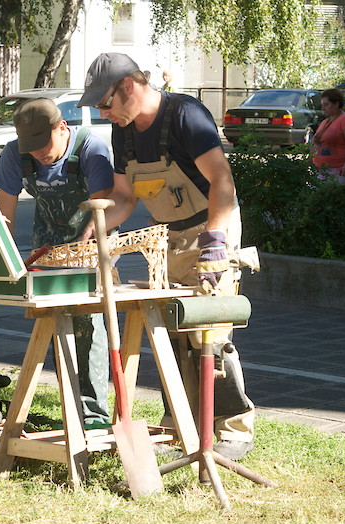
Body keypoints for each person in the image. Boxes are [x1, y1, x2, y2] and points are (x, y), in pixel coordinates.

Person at [76, 52, 255, 461]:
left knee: (211, 334)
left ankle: (233, 429)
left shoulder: (185, 115)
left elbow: (222, 180)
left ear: (128, 86)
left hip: (213, 227)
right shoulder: (122, 131)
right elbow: (124, 197)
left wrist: (214, 240)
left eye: (104, 103)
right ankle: (181, 422)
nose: (103, 114)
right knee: (172, 334)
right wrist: (98, 229)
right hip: (170, 237)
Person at [0, 99, 115, 428]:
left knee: (87, 325)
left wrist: (88, 249)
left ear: (62, 128)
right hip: (46, 243)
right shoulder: (14, 154)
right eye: (30, 148)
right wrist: (6, 259)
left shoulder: (91, 148)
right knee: (53, 322)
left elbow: (103, 212)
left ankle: (93, 417)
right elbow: (4, 216)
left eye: (43, 145)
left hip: (92, 241)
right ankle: (71, 408)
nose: (38, 154)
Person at [311, 88, 345, 185]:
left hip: (338, 169)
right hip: (320, 169)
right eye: (322, 105)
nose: (323, 108)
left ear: (336, 104)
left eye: (326, 105)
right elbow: (316, 144)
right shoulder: (325, 122)